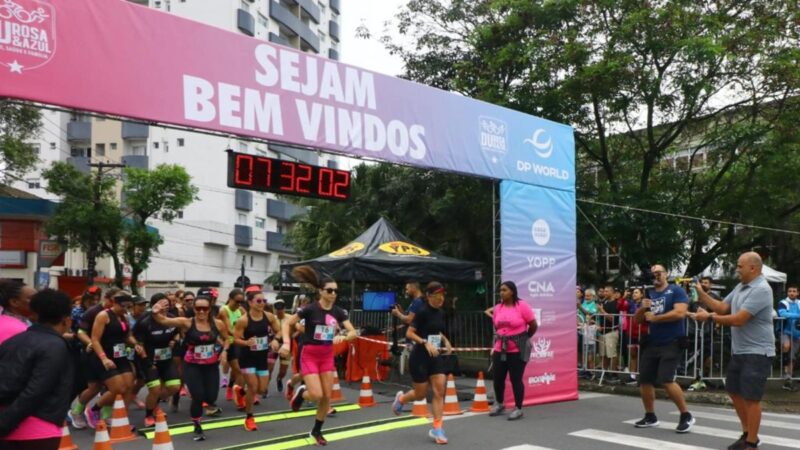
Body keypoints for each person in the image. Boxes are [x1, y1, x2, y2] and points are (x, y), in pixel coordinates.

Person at [693, 252, 776, 450]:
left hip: (758, 352)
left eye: (740, 266)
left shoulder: (762, 289)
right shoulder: (740, 287)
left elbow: (739, 319)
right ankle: (747, 433)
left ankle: (751, 443)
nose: (736, 269)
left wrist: (709, 318)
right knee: (734, 391)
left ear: (753, 268)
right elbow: (722, 307)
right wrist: (702, 293)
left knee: (751, 397)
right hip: (740, 351)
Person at [279, 266, 357, 446]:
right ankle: (301, 393)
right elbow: (287, 324)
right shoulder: (309, 309)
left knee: (326, 397)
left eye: (336, 291)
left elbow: (353, 332)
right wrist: (286, 343)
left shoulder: (339, 312)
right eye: (329, 290)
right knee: (315, 394)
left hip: (327, 356)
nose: (333, 294)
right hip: (310, 355)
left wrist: (343, 336)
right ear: (321, 291)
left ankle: (316, 431)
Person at [0, 289, 75, 450]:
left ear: (33, 314)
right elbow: (37, 391)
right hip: (39, 429)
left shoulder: (12, 341)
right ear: (66, 320)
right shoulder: (56, 346)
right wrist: (5, 423)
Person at [151, 295, 229, 441]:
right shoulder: (186, 323)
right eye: (197, 308)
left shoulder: (218, 324)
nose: (201, 312)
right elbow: (164, 321)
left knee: (211, 397)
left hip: (211, 365)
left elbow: (227, 339)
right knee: (198, 396)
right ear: (193, 309)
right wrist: (155, 311)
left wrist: (224, 351)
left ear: (209, 309)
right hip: (192, 365)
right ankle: (197, 425)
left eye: (204, 308)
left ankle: (195, 405)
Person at [633, 264, 695, 433]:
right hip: (653, 341)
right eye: (653, 274)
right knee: (645, 380)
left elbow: (680, 313)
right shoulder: (649, 293)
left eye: (659, 273)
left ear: (666, 274)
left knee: (666, 379)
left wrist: (656, 318)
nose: (656, 276)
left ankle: (686, 415)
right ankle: (650, 415)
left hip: (672, 341)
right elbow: (637, 321)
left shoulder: (676, 291)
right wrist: (642, 308)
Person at [390, 281, 453, 444]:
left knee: (439, 391)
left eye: (442, 295)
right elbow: (410, 333)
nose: (441, 299)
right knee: (420, 394)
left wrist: (446, 341)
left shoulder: (440, 312)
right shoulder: (422, 311)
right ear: (429, 296)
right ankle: (402, 399)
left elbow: (437, 330)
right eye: (437, 296)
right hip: (420, 357)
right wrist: (425, 342)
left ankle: (437, 428)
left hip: (435, 356)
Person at [88, 291, 144, 425]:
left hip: (121, 355)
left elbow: (127, 335)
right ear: (114, 303)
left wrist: (135, 344)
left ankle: (121, 419)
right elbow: (95, 340)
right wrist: (104, 358)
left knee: (130, 386)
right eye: (123, 306)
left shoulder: (124, 317)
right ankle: (94, 409)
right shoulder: (103, 316)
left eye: (128, 306)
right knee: (118, 388)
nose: (125, 309)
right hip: (105, 356)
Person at [69, 288, 118, 428]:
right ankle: (76, 412)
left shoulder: (119, 313)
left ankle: (106, 416)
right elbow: (80, 332)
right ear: (107, 298)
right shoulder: (92, 312)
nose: (118, 304)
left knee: (114, 387)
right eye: (115, 300)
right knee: (94, 387)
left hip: (113, 354)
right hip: (92, 355)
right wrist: (90, 343)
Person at [488, 281, 537, 420]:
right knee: (498, 378)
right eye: (500, 290)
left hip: (517, 349)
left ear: (512, 292)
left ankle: (518, 408)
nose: (501, 292)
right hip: (500, 347)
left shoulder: (522, 306)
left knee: (516, 379)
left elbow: (533, 325)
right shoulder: (498, 308)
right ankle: (500, 404)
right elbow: (497, 326)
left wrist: (524, 338)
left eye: (504, 290)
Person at [234, 289, 280, 431]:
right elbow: (235, 339)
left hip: (261, 357)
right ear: (250, 302)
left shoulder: (270, 317)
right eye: (258, 301)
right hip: (247, 358)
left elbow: (279, 331)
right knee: (253, 388)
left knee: (262, 389)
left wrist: (275, 340)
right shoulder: (244, 320)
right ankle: (249, 418)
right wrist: (246, 342)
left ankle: (240, 391)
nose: (262, 303)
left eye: (264, 301)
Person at [133, 294, 181, 427]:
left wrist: (174, 340)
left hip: (166, 358)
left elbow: (178, 331)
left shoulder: (171, 319)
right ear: (154, 306)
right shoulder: (146, 321)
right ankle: (148, 415)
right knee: (155, 389)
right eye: (161, 305)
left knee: (174, 387)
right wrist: (148, 363)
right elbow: (139, 343)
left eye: (167, 304)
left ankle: (154, 404)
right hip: (148, 360)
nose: (165, 307)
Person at [218, 289, 247, 408]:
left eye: (241, 302)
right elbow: (229, 329)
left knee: (238, 370)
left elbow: (248, 321)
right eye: (237, 301)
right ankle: (239, 397)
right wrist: (243, 338)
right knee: (237, 369)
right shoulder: (223, 310)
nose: (239, 304)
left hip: (236, 342)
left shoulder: (240, 309)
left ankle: (232, 388)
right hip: (224, 341)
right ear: (230, 299)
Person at [777, 285, 800, 391]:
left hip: (797, 333)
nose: (791, 293)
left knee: (792, 356)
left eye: (794, 291)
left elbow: (788, 314)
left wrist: (793, 315)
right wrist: (797, 315)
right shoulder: (783, 302)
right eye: (789, 291)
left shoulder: (799, 303)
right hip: (785, 331)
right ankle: (784, 367)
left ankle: (788, 378)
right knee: (786, 346)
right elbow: (782, 313)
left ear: (797, 293)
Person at [624, 288, 648, 385]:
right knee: (633, 354)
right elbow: (621, 306)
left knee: (642, 355)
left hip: (642, 332)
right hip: (631, 332)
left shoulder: (645, 304)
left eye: (636, 292)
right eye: (633, 292)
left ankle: (643, 376)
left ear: (642, 294)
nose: (634, 294)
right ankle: (632, 376)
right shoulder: (630, 303)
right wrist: (624, 297)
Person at [597, 285, 621, 380]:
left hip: (611, 331)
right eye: (604, 291)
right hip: (603, 331)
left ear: (612, 292)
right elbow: (601, 317)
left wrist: (602, 310)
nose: (605, 293)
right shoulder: (605, 302)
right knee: (604, 354)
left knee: (612, 354)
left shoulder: (615, 303)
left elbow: (612, 318)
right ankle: (605, 372)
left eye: (607, 291)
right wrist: (599, 325)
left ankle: (614, 373)